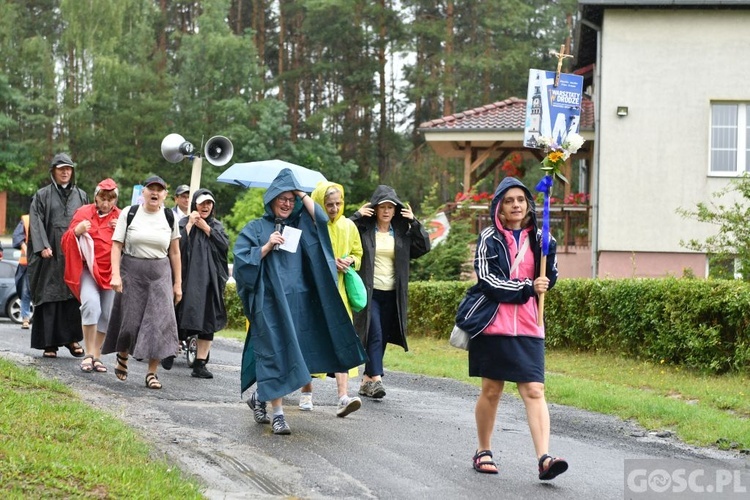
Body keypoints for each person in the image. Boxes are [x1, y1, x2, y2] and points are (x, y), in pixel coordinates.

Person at [234, 168, 367, 435]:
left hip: (297, 305)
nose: (286, 203)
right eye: (280, 197)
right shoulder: (255, 228)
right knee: (274, 354)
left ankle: (260, 396)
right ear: (270, 199)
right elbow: (242, 264)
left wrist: (300, 193)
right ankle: (279, 415)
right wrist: (266, 246)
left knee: (294, 356)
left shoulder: (299, 227)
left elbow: (320, 219)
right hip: (268, 305)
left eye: (290, 198)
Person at [454, 176, 567, 479]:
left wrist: (545, 282)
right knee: (492, 390)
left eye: (520, 200)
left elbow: (549, 275)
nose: (516, 205)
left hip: (530, 323)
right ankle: (483, 449)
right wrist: (529, 287)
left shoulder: (543, 238)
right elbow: (488, 281)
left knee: (534, 388)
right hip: (493, 323)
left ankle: (544, 458)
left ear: (529, 204)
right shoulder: (489, 237)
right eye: (509, 201)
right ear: (499, 207)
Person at [102, 176, 182, 390]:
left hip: (160, 274)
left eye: (159, 190)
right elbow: (116, 245)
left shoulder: (169, 217)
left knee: (158, 324)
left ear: (165, 194)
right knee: (129, 322)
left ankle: (152, 373)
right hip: (132, 271)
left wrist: (178, 284)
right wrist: (116, 275)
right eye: (150, 189)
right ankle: (122, 355)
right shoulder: (130, 213)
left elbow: (175, 252)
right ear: (143, 193)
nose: (154, 193)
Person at [350, 185, 430, 399]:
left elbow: (424, 246)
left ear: (396, 210)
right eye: (382, 207)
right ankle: (377, 378)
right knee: (374, 333)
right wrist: (357, 216)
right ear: (375, 209)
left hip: (392, 294)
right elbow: (341, 235)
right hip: (370, 291)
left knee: (382, 336)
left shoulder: (402, 232)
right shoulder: (363, 230)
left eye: (390, 207)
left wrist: (415, 221)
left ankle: (367, 380)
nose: (386, 211)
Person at [302, 181, 364, 417]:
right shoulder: (313, 226)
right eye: (329, 204)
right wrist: (330, 262)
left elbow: (359, 254)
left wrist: (349, 261)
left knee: (342, 341)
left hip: (340, 295)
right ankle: (306, 393)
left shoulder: (349, 226)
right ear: (320, 203)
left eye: (338, 203)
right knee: (311, 340)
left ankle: (343, 398)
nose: (335, 208)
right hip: (315, 293)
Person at [28, 152, 89, 358]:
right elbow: (35, 222)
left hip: (72, 253)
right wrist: (42, 246)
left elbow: (90, 221)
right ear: (53, 171)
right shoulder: (42, 195)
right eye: (61, 168)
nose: (65, 172)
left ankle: (72, 340)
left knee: (71, 296)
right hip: (50, 254)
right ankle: (49, 344)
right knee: (49, 297)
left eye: (69, 168)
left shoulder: (81, 195)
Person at [61, 179, 121, 373]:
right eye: (102, 198)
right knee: (90, 305)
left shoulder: (121, 217)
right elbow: (65, 241)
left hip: (111, 272)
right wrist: (76, 232)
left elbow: (133, 245)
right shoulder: (84, 212)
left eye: (110, 200)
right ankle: (88, 353)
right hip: (88, 270)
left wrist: (123, 230)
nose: (106, 204)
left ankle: (97, 355)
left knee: (107, 313)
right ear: (95, 196)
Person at [174, 188, 229, 379]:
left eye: (209, 203)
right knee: (178, 316)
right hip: (187, 280)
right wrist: (190, 223)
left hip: (209, 282)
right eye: (202, 203)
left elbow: (224, 246)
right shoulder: (183, 222)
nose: (205, 207)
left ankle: (200, 363)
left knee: (208, 321)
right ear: (195, 204)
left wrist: (207, 229)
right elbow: (176, 245)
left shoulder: (216, 226)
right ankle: (167, 352)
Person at [12, 216, 32, 329]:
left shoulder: (48, 216)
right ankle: (25, 319)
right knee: (25, 292)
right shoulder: (26, 220)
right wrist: (25, 247)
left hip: (44, 264)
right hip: (26, 264)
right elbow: (17, 236)